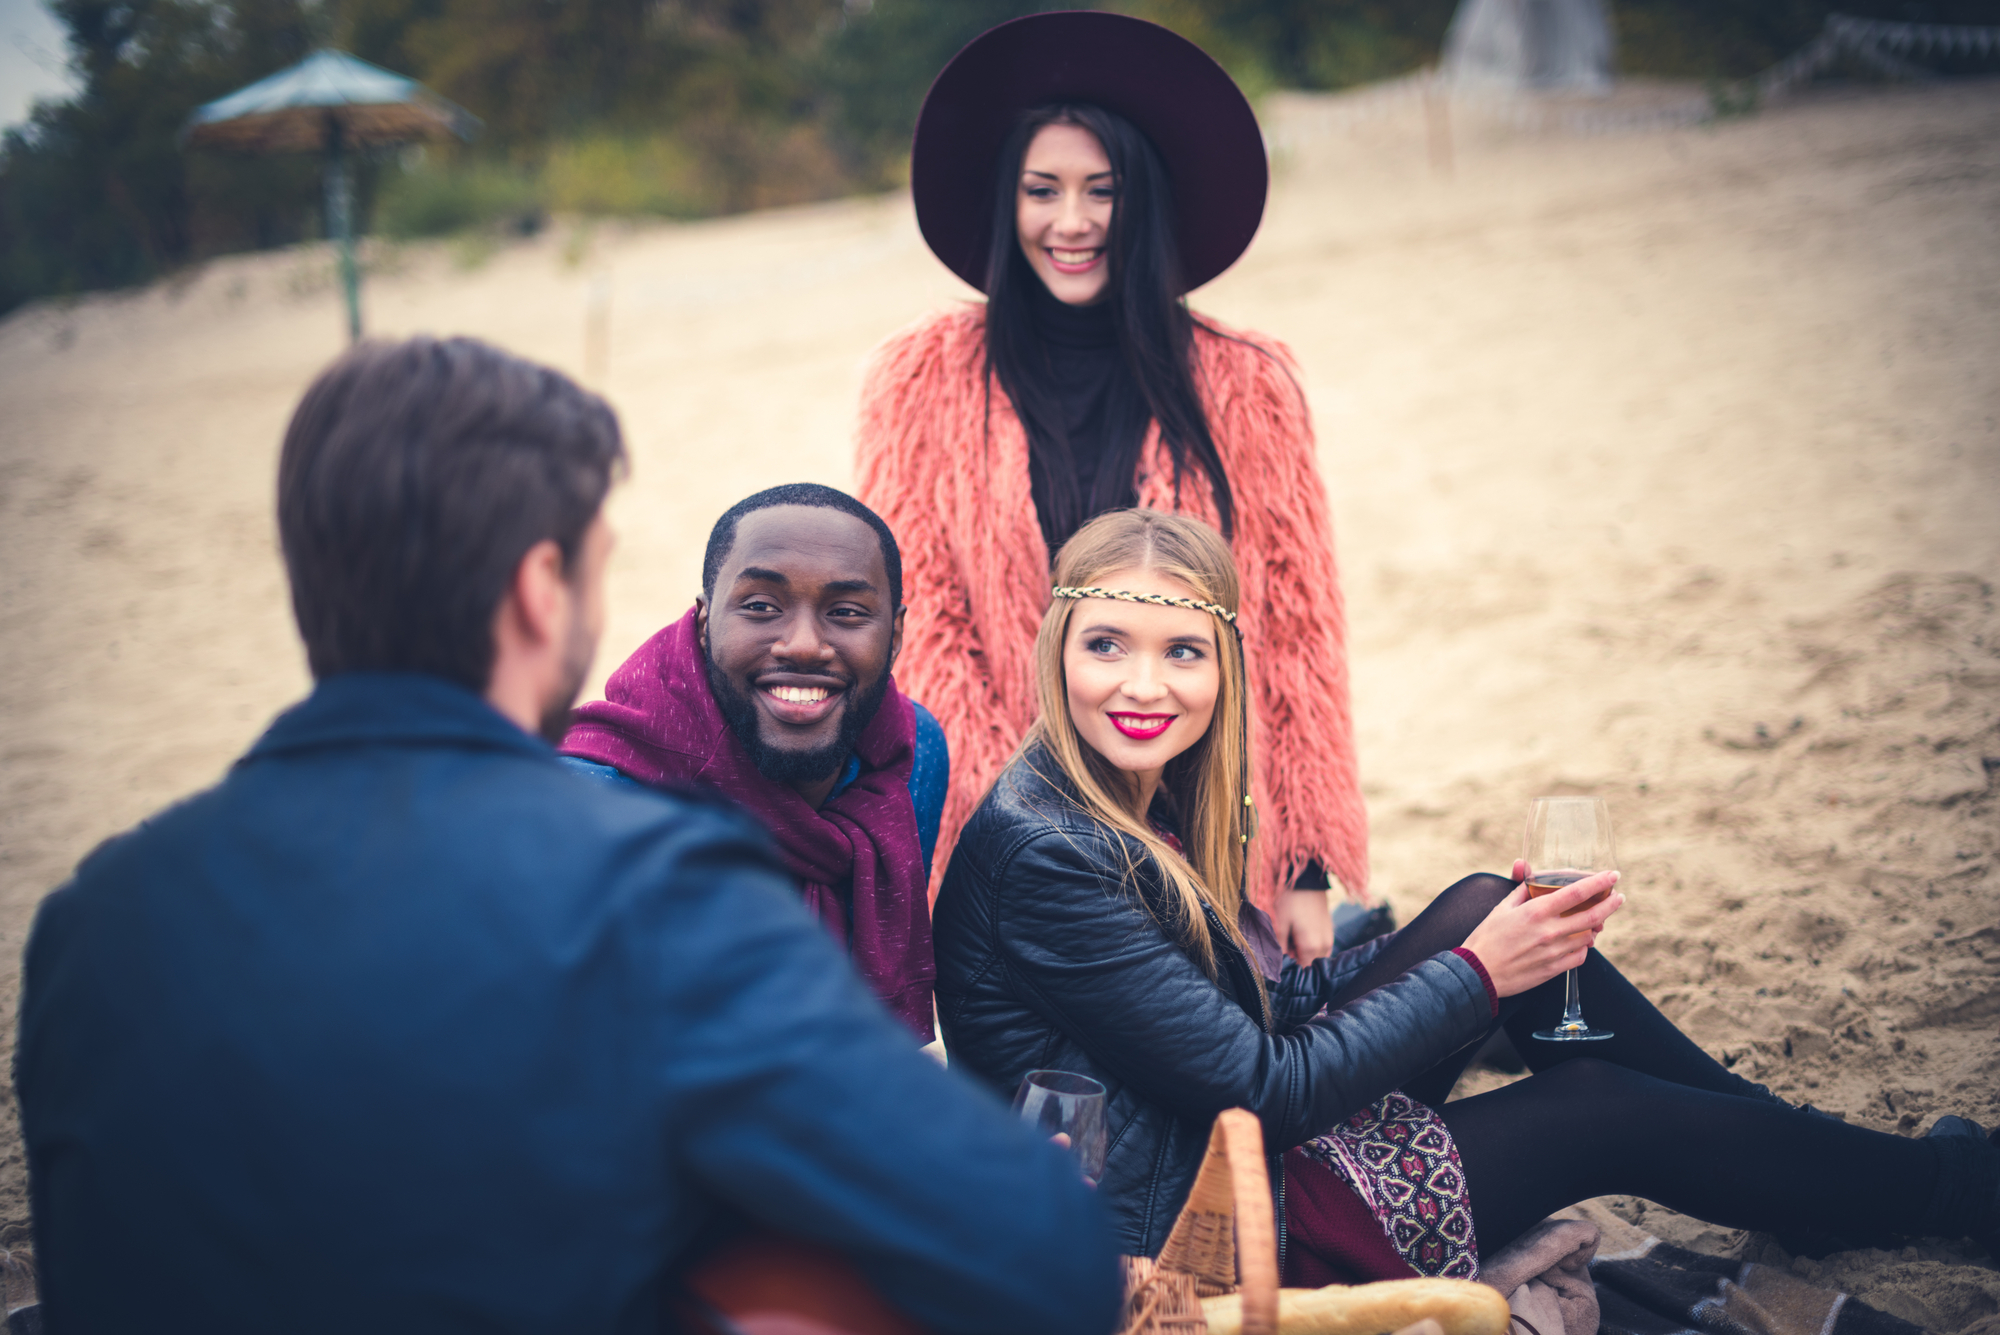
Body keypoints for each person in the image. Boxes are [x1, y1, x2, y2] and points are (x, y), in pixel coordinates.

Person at [15, 337, 1120, 1334]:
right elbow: (1044, 1254)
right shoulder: (651, 886)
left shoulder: (96, 919)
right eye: (593, 565)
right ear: (543, 591)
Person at [933, 506, 2000, 1282]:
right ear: (1053, 650)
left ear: (1224, 672)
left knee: (1485, 900)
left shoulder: (1122, 798)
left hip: (1207, 1142)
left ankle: (1785, 1160)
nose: (1142, 685)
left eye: (1181, 651)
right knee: (1596, 1108)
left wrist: (1485, 947)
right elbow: (1262, 1087)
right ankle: (1930, 1189)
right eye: (1105, 644)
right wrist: (1477, 977)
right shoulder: (1048, 851)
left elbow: (1249, 1024)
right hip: (1194, 1230)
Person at [857, 11, 1367, 966]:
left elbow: (1295, 632)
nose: (1073, 221)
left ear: (1147, 201)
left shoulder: (1247, 381)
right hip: (1014, 847)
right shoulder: (920, 378)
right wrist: (1035, 831)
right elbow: (921, 626)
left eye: (1104, 190)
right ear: (1006, 204)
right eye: (1041, 189)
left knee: (1417, 975)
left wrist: (1303, 868)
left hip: (1217, 834)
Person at [560, 483, 947, 1038]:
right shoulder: (589, 804)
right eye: (761, 607)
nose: (804, 645)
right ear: (702, 621)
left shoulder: (914, 753)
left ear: (897, 634)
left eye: (846, 611)